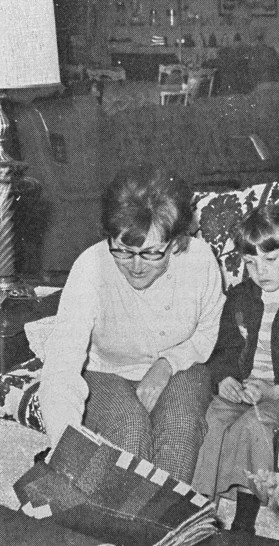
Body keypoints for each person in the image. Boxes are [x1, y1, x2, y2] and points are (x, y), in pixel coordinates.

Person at [37, 167, 224, 482]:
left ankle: (168, 527)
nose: (136, 266)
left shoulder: (200, 261)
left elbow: (205, 335)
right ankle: (118, 526)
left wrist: (167, 363)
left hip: (182, 364)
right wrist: (63, 451)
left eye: (151, 254)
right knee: (130, 426)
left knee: (180, 429)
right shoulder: (90, 269)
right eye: (123, 251)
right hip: (104, 370)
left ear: (176, 242)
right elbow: (61, 370)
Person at [192, 204, 279, 533]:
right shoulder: (239, 298)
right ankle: (200, 506)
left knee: (253, 426)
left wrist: (276, 391)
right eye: (250, 262)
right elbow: (224, 349)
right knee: (212, 420)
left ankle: (246, 514)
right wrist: (225, 379)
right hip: (246, 387)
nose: (261, 271)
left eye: (270, 259)